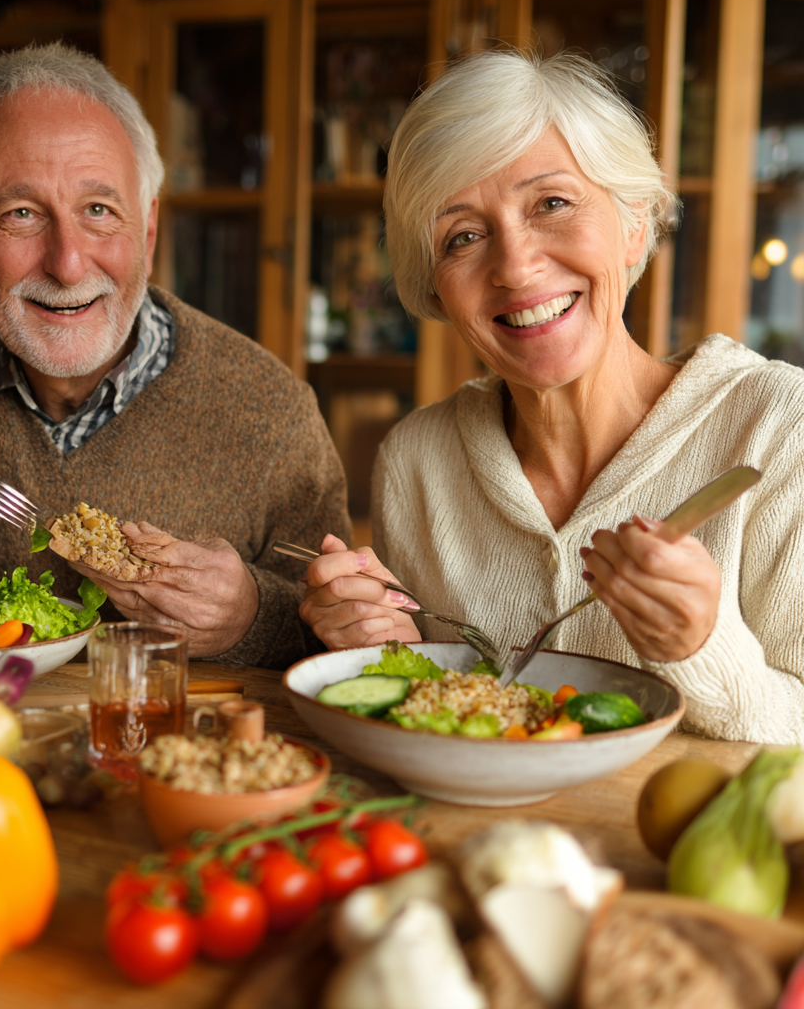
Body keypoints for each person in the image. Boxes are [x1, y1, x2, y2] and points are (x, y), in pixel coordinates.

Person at [0, 42, 350, 669]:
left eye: (99, 211)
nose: (68, 263)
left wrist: (249, 617)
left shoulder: (271, 408)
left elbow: (338, 633)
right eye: (21, 214)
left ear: (150, 231)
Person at [300, 50, 804, 742]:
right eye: (464, 236)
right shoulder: (417, 461)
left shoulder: (779, 427)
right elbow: (449, 726)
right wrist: (376, 651)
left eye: (553, 203)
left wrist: (702, 646)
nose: (515, 266)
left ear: (634, 224)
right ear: (437, 288)